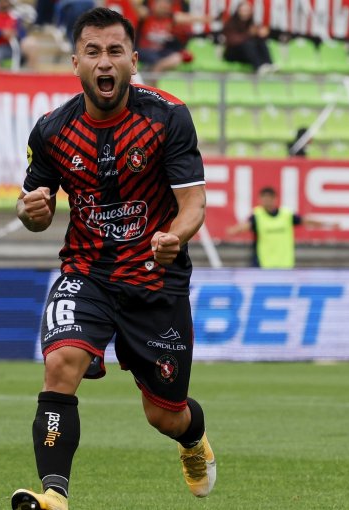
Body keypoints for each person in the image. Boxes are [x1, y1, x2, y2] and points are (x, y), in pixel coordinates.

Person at [11, 8, 214, 509]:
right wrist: (29, 212)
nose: (105, 62)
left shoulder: (167, 117)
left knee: (164, 415)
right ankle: (54, 495)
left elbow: (193, 203)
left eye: (115, 51)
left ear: (133, 61)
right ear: (76, 62)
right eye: (94, 52)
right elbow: (34, 208)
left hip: (155, 277)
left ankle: (192, 439)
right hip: (87, 272)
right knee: (60, 364)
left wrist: (175, 236)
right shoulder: (51, 131)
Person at [226, 187, 335, 268]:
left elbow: (306, 221)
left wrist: (328, 224)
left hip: (285, 265)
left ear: (275, 199)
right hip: (264, 265)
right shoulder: (257, 215)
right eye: (264, 198)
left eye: (269, 198)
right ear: (260, 200)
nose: (266, 201)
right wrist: (235, 230)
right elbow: (245, 226)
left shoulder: (286, 215)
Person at [135, 0, 192, 73]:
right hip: (143, 50)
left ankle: (153, 70)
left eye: (166, 6)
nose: (163, 9)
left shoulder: (170, 18)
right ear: (154, 5)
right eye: (161, 6)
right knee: (154, 58)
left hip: (160, 52)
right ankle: (152, 72)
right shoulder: (146, 15)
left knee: (177, 57)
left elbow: (190, 18)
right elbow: (135, 5)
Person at [222, 0, 275, 73]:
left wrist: (261, 34)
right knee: (248, 44)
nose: (245, 13)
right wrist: (249, 34)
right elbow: (232, 41)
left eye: (247, 11)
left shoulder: (252, 23)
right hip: (233, 53)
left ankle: (269, 64)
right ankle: (259, 66)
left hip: (247, 55)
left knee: (260, 41)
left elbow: (257, 39)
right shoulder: (231, 23)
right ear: (238, 11)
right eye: (243, 10)